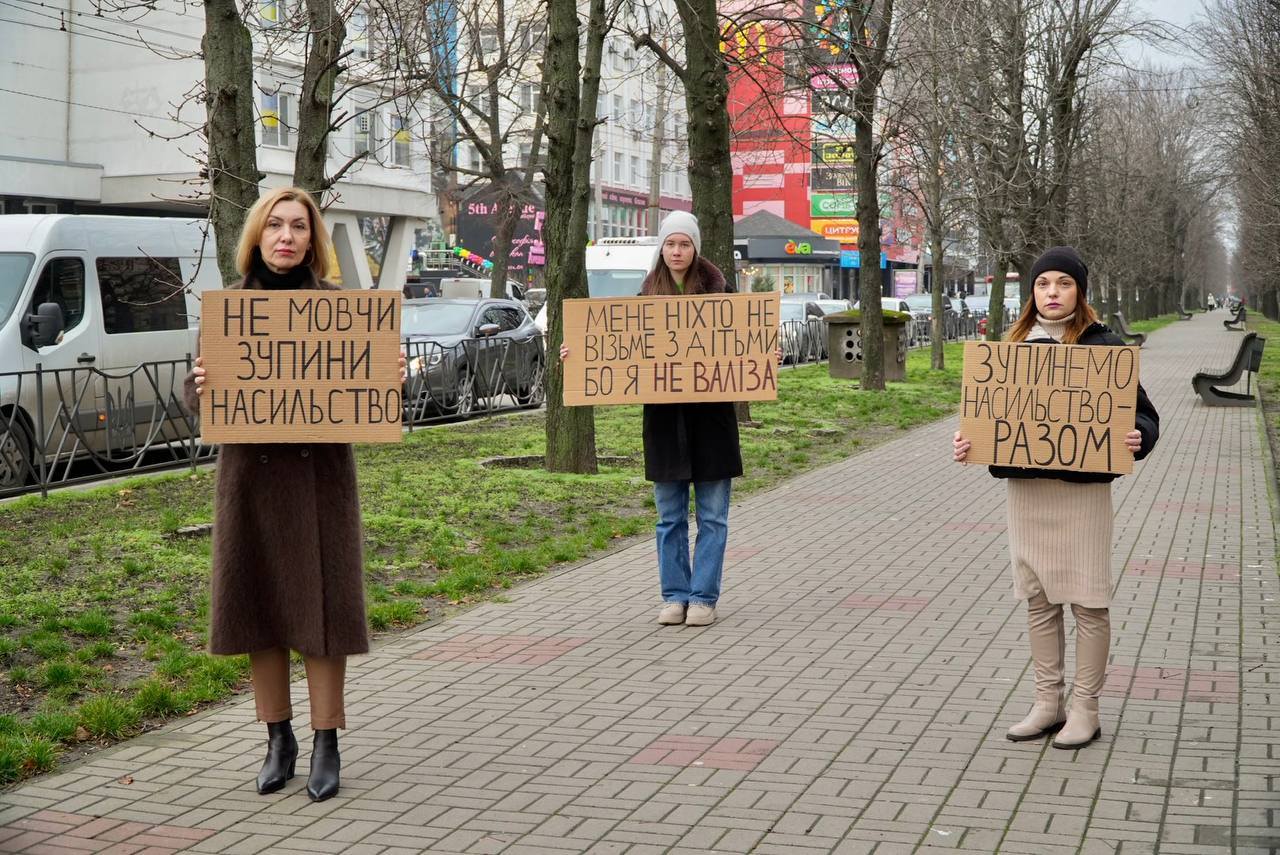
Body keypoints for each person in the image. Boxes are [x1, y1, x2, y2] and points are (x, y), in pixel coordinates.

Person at [184, 187, 406, 800]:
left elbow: (367, 394)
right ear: (257, 236)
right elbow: (200, 398)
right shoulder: (229, 310)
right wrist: (199, 384)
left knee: (323, 612)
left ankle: (326, 740)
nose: (287, 236)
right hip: (252, 484)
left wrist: (389, 377)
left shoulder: (342, 310)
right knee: (260, 608)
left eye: (299, 227)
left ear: (313, 241)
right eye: (275, 225)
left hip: (319, 483)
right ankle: (277, 738)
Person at [953, 246, 1159, 750]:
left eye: (1064, 284)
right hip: (1028, 493)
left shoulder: (1104, 346)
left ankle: (1086, 708)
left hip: (1081, 497)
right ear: (1032, 292)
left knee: (1088, 601)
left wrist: (1138, 436)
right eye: (1043, 283)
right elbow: (988, 415)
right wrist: (969, 441)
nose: (1052, 293)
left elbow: (1144, 414)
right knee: (1038, 600)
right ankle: (1048, 703)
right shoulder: (1013, 347)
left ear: (1079, 292)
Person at [560, 211, 777, 627]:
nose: (677, 251)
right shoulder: (644, 298)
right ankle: (675, 596)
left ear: (695, 248)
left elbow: (744, 345)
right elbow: (618, 350)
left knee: (713, 517)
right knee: (669, 518)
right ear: (662, 249)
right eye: (670, 244)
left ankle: (703, 597)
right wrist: (579, 355)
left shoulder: (722, 294)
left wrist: (766, 355)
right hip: (664, 425)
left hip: (712, 425)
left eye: (684, 244)